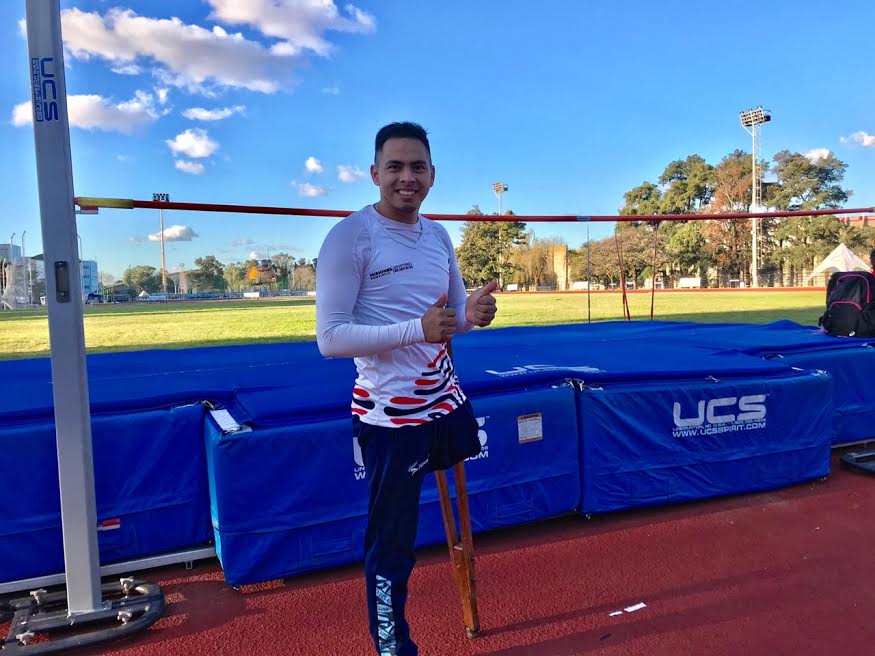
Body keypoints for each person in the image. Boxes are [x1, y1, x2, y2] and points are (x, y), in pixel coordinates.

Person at [315, 122, 498, 655]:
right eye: (394, 166)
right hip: (390, 416)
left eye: (417, 167)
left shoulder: (438, 236)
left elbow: (452, 318)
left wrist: (473, 313)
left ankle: (470, 614)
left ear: (432, 175)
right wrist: (417, 330)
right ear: (375, 173)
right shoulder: (350, 237)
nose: (406, 178)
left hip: (445, 400)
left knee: (461, 521)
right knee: (392, 543)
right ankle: (393, 646)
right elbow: (330, 339)